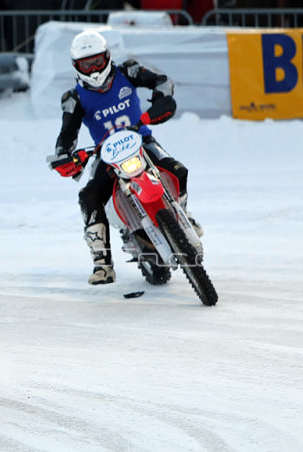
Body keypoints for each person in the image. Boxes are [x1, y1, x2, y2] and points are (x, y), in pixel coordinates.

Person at [48, 30, 201, 285]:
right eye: (87, 64)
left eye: (97, 60)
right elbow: (67, 132)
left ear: (108, 56)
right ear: (77, 67)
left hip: (142, 140)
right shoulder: (73, 98)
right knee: (88, 196)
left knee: (179, 170)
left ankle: (184, 215)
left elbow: (162, 81)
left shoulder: (128, 71)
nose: (94, 68)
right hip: (105, 155)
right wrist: (65, 155)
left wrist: (161, 102)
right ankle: (102, 264)